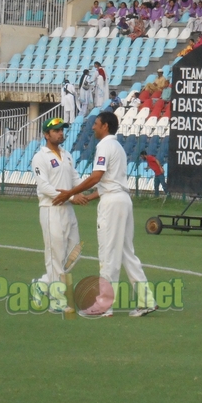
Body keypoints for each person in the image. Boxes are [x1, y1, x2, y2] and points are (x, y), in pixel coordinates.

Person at [53, 112, 157, 317]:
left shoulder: (104, 146)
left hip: (112, 204)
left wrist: (71, 193)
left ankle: (105, 305)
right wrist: (86, 198)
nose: (93, 128)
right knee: (127, 253)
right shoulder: (117, 146)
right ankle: (147, 300)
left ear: (106, 126)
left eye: (97, 124)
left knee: (108, 253)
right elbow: (107, 183)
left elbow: (96, 177)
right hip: (123, 200)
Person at [31, 117, 87, 312]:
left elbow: (75, 178)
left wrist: (80, 192)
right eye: (56, 131)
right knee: (55, 257)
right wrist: (71, 197)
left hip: (68, 211)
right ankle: (56, 301)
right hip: (51, 210)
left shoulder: (67, 155)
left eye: (62, 130)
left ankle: (42, 284)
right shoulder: (41, 157)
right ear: (47, 135)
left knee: (74, 253)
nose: (60, 133)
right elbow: (44, 186)